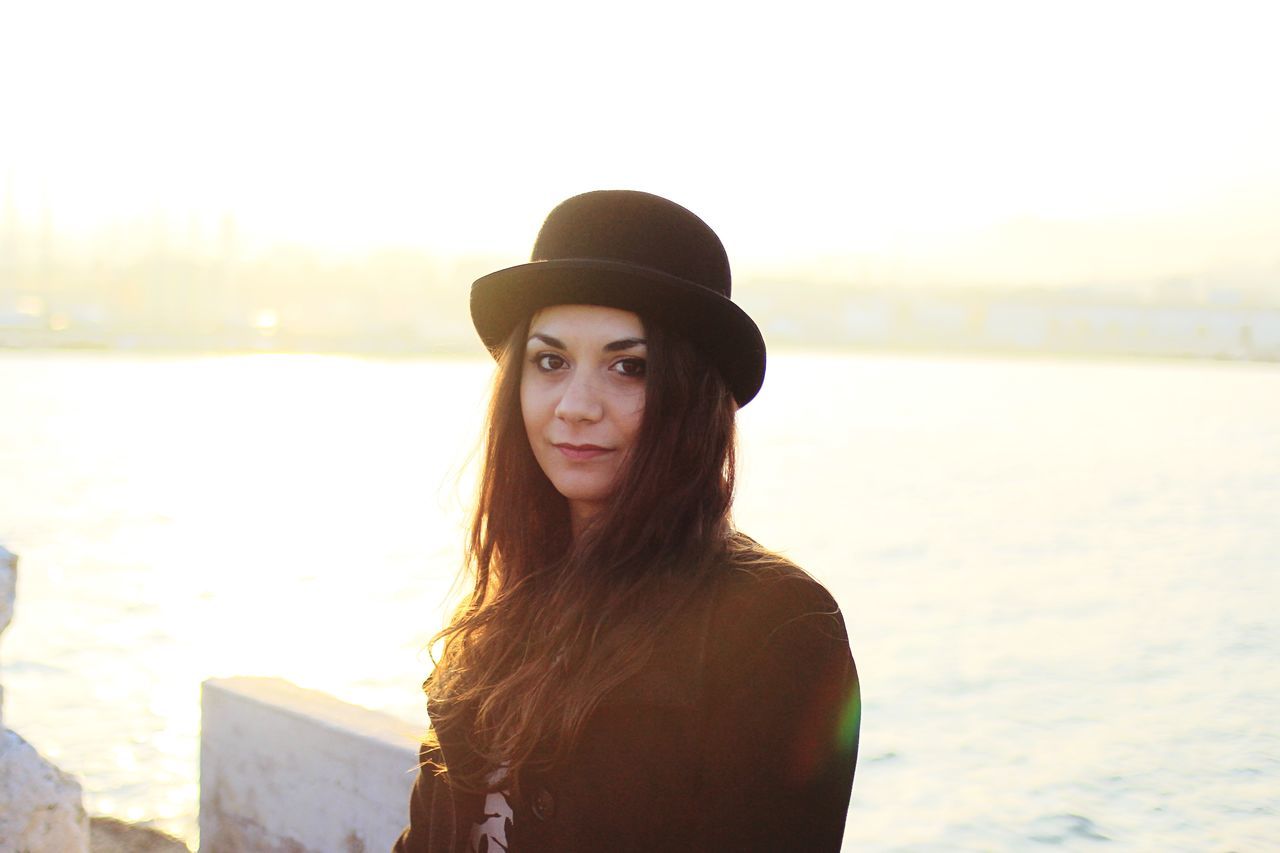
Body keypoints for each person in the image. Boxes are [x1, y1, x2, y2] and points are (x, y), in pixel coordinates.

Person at [394, 190, 859, 852]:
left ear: (690, 393)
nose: (577, 405)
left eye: (628, 367)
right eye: (550, 361)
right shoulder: (508, 603)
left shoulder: (775, 628)